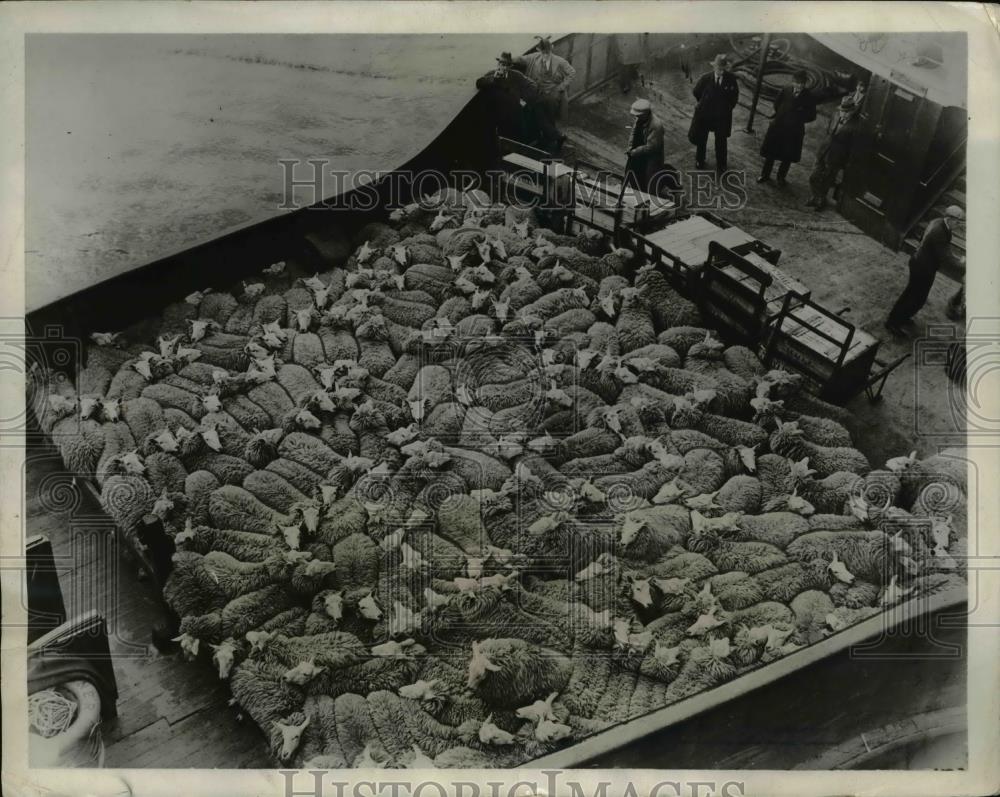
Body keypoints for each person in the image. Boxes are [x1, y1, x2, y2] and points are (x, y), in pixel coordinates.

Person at [885, 205, 965, 335]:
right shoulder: (939, 231)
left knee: (915, 296)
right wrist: (964, 264)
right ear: (950, 218)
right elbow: (946, 258)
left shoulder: (938, 222)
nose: (959, 224)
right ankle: (893, 323)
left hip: (923, 263)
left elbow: (931, 243)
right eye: (958, 221)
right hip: (922, 267)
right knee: (914, 297)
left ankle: (902, 317)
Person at [513, 36, 577, 152]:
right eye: (543, 52)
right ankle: (551, 137)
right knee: (539, 113)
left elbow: (572, 73)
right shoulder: (534, 58)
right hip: (538, 93)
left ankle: (550, 139)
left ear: (551, 50)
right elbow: (521, 59)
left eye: (547, 52)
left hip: (552, 93)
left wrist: (561, 87)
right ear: (539, 51)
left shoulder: (560, 61)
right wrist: (509, 60)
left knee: (549, 114)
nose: (545, 55)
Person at [757, 70, 817, 185]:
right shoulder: (786, 89)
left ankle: (781, 178)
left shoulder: (809, 96)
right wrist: (782, 115)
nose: (799, 86)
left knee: (787, 155)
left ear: (805, 84)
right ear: (793, 82)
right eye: (797, 83)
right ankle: (765, 175)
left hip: (794, 131)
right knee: (771, 152)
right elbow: (776, 104)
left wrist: (798, 118)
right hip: (779, 126)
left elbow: (812, 115)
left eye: (802, 84)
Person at [688, 53, 740, 175]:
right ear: (714, 67)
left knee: (721, 141)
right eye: (718, 68)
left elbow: (734, 96)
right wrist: (705, 104)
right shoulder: (705, 78)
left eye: (723, 68)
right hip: (706, 116)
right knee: (702, 138)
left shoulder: (731, 79)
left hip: (721, 117)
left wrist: (727, 109)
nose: (721, 71)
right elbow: (696, 92)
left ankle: (721, 164)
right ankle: (700, 160)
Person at [806, 95, 860, 211]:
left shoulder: (855, 126)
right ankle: (815, 196)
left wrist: (843, 162)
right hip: (823, 151)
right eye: (841, 111)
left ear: (851, 112)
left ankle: (820, 200)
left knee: (827, 180)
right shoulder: (835, 115)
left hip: (836, 157)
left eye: (846, 112)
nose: (843, 114)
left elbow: (852, 147)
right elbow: (828, 131)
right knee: (813, 177)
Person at [475, 52, 540, 144]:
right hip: (496, 111)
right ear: (498, 64)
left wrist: (524, 100)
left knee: (518, 133)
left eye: (506, 65)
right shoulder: (491, 74)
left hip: (513, 110)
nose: (503, 67)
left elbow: (533, 85)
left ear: (510, 66)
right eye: (501, 64)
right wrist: (493, 78)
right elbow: (479, 83)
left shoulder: (516, 75)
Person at [624, 98, 679, 199]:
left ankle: (652, 198)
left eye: (638, 115)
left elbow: (652, 147)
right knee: (634, 176)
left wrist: (635, 152)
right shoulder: (640, 119)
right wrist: (630, 147)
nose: (636, 117)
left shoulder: (656, 126)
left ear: (645, 114)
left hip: (651, 158)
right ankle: (642, 194)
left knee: (651, 181)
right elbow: (633, 132)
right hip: (639, 155)